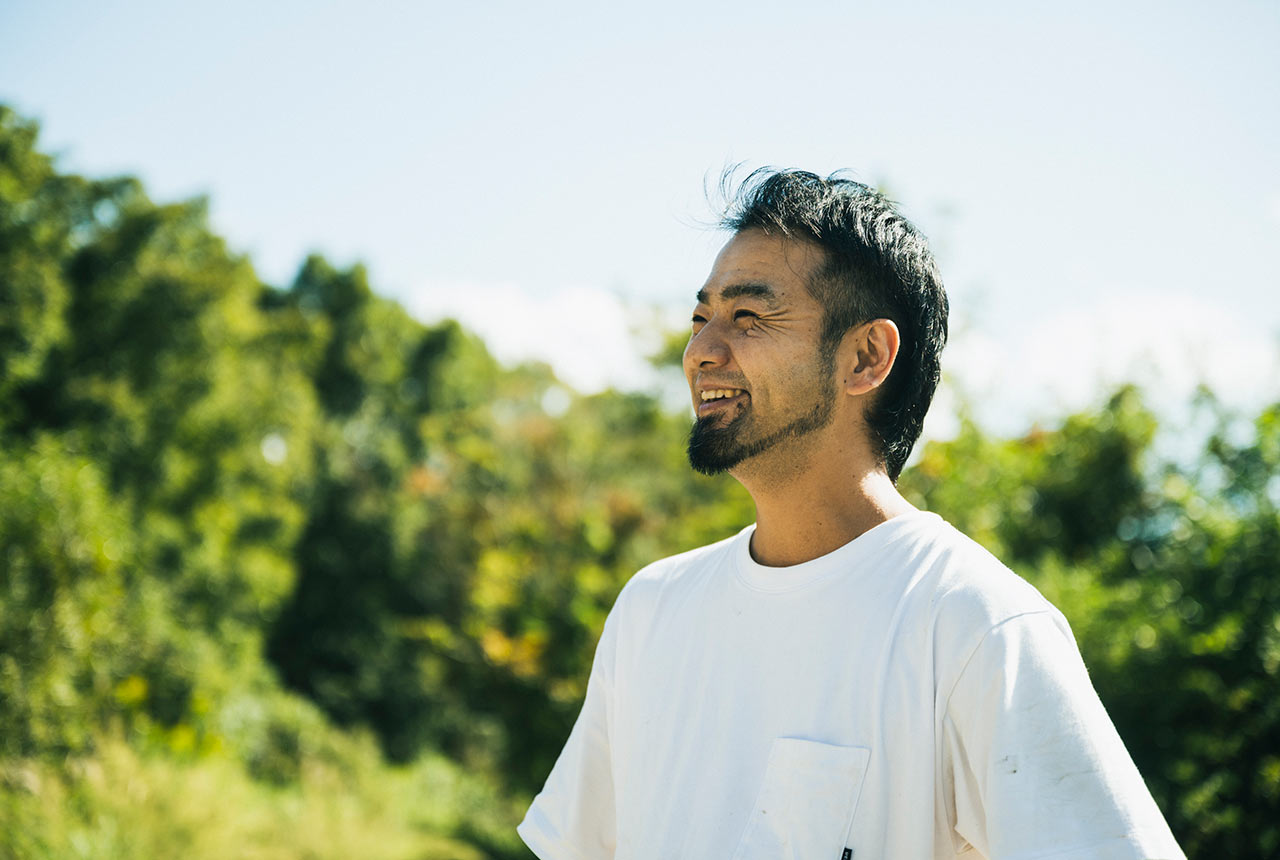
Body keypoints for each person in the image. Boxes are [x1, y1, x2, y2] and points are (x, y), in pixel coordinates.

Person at [517, 169, 1184, 859]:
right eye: (700, 318)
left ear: (866, 357)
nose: (700, 352)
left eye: (748, 317)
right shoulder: (652, 609)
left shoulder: (974, 625)